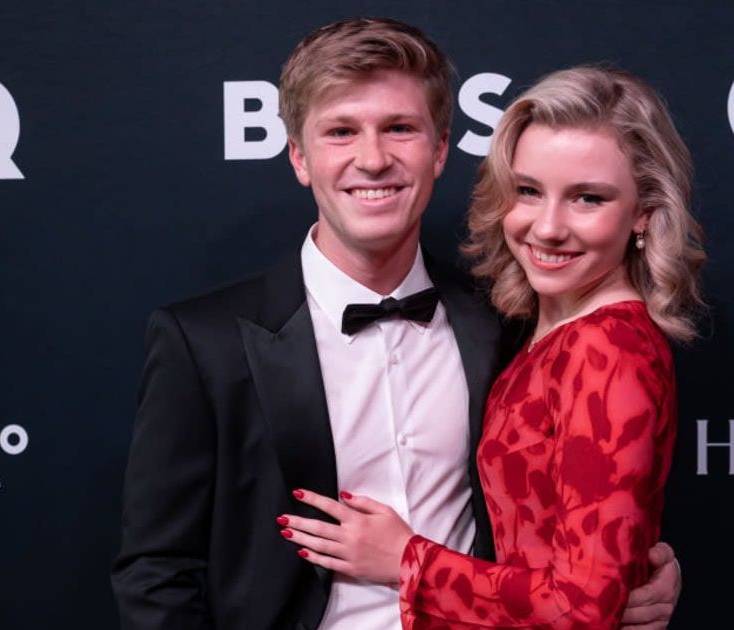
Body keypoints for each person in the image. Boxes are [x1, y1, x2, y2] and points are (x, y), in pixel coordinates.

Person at [111, 18, 682, 630]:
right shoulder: (205, 344)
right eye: (341, 132)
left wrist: (635, 574)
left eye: (400, 129)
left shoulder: (507, 322)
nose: (373, 159)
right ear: (299, 156)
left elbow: (574, 533)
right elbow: (156, 574)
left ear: (440, 149)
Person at [281, 64, 704, 628]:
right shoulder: (524, 329)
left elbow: (582, 608)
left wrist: (406, 560)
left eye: (587, 198)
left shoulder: (607, 348)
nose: (547, 227)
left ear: (644, 212)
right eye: (528, 191)